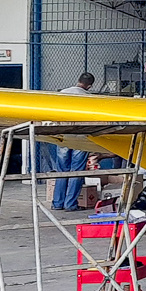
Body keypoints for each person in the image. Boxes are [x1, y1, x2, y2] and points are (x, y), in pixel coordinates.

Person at [52, 72, 94, 211]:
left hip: (63, 135)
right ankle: (70, 204)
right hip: (80, 137)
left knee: (62, 170)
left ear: (78, 81)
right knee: (77, 171)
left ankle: (57, 203)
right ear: (89, 86)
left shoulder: (62, 93)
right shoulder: (89, 97)